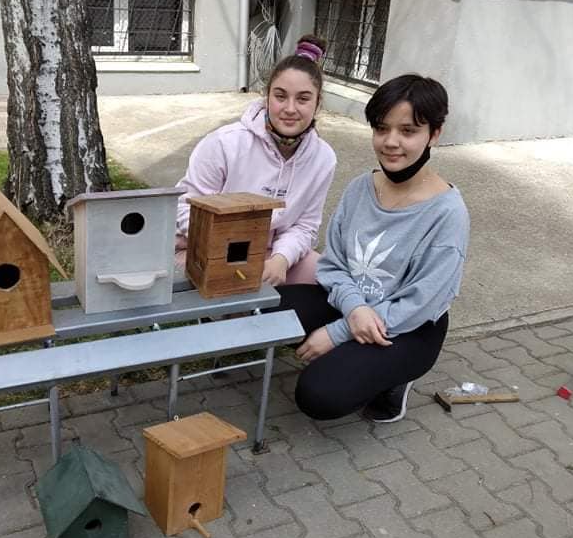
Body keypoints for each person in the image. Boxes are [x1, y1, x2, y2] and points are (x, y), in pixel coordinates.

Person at [277, 74, 470, 422]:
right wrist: (354, 311)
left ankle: (393, 380)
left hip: (408, 327)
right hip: (352, 304)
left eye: (408, 131)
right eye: (382, 128)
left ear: (434, 134)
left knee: (318, 395)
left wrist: (335, 334)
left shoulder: (447, 213)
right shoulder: (359, 188)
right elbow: (333, 265)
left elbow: (420, 303)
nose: (391, 142)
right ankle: (355, 358)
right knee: (264, 310)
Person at [175, 35, 337, 285]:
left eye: (303, 99)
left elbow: (306, 226)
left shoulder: (324, 158)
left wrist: (281, 259)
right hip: (205, 247)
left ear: (317, 103)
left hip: (270, 252)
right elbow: (184, 206)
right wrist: (231, 248)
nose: (290, 108)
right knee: (232, 289)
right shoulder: (224, 143)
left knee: (326, 277)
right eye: (280, 96)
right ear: (267, 96)